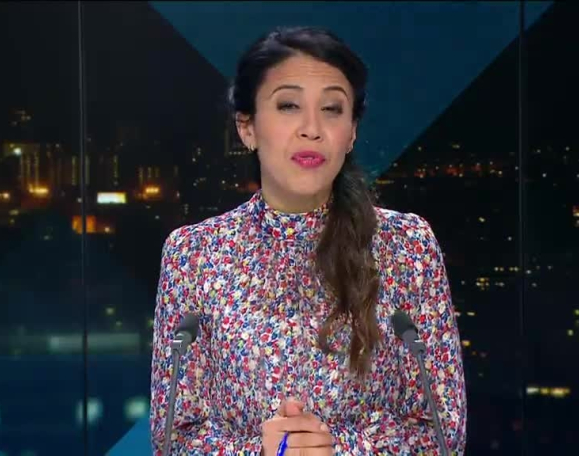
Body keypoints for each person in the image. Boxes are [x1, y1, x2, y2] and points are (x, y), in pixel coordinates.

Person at [150, 26, 467, 455]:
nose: (312, 129)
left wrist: (337, 449)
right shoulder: (193, 254)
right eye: (289, 106)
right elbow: (174, 437)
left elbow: (443, 432)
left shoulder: (407, 246)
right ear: (247, 127)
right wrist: (258, 452)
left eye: (332, 109)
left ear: (351, 132)